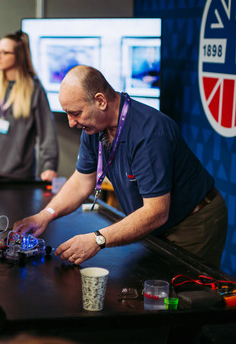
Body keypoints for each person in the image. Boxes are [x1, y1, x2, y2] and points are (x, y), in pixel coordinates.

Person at [14, 65, 228, 267]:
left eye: (76, 113)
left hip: (193, 221)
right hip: (158, 224)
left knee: (182, 298)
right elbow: (81, 181)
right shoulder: (93, 129)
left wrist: (97, 239)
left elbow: (156, 213)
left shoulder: (149, 133)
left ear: (101, 101)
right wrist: (45, 215)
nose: (71, 122)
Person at [0, 31, 59, 181]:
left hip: (17, 176)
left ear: (18, 57)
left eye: (4, 52)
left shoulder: (35, 92)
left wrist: (49, 167)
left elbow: (48, 135)